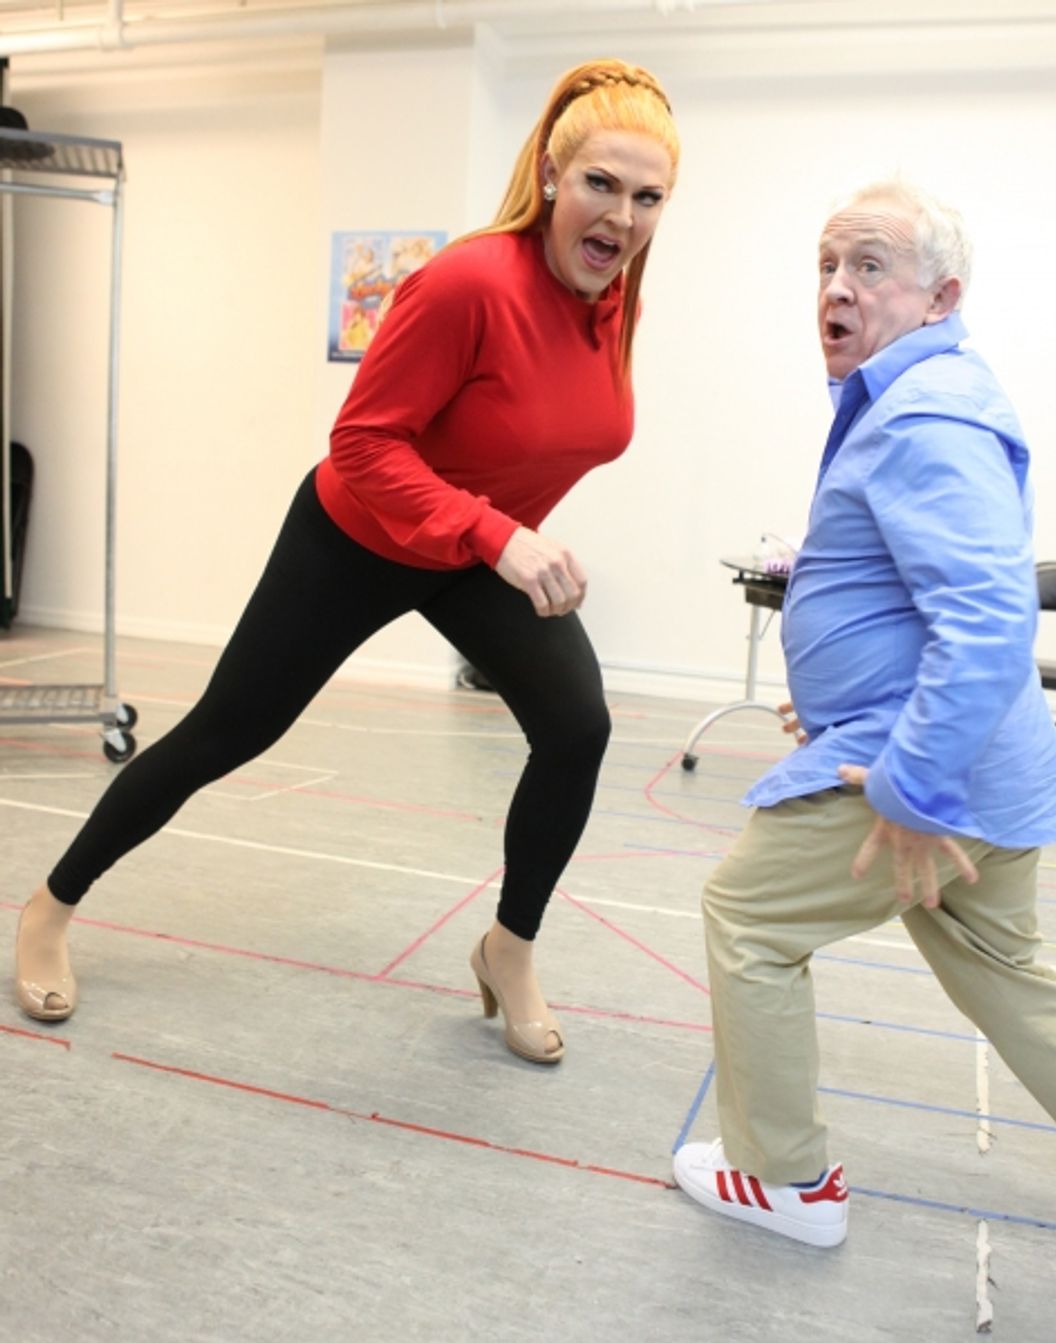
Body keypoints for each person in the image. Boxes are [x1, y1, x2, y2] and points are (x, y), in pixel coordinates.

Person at [14, 58, 680, 1067]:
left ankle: (509, 945)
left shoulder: (616, 304)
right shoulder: (466, 282)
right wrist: (503, 533)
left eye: (647, 197)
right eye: (601, 183)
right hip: (358, 536)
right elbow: (365, 444)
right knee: (225, 733)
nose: (621, 216)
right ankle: (49, 906)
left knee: (578, 725)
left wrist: (500, 536)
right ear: (549, 174)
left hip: (469, 551)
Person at [672, 180, 1056, 1277]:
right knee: (1006, 965)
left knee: (748, 917)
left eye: (869, 266)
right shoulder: (918, 394)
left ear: (941, 292)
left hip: (922, 769)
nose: (836, 287)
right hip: (970, 758)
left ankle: (782, 1177)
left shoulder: (926, 412)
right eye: (826, 263)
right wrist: (828, 696)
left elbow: (991, 620)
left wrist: (909, 788)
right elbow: (928, 604)